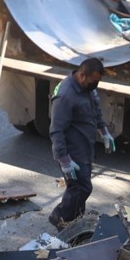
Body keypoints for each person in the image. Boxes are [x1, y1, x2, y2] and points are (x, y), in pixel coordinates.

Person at [48, 57, 115, 230]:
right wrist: (64, 160)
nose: (96, 85)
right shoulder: (65, 96)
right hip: (71, 151)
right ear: (82, 75)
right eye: (94, 81)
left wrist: (104, 131)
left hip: (85, 147)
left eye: (98, 81)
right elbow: (56, 130)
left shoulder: (88, 88)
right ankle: (60, 218)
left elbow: (95, 109)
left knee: (79, 188)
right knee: (82, 187)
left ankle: (76, 220)